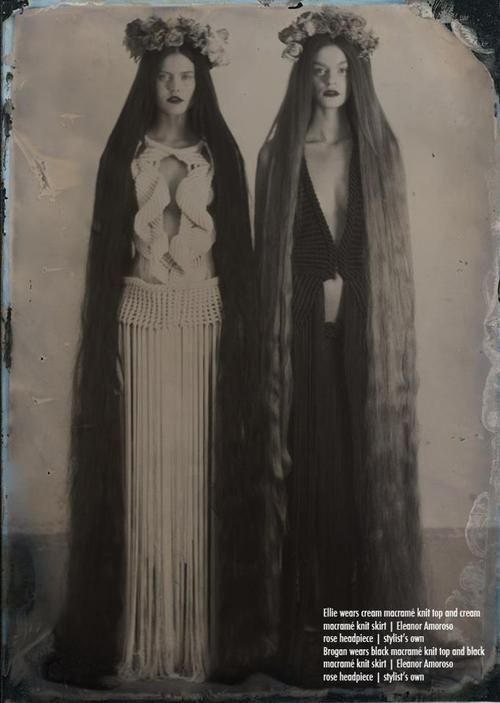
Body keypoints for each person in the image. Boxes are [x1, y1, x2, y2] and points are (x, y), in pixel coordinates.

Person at [46, 14, 260, 686]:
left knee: (197, 478)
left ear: (200, 84)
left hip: (204, 330)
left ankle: (193, 640)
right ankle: (136, 636)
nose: (174, 84)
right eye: (164, 74)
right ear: (148, 79)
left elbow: (240, 260)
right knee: (142, 480)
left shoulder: (220, 156)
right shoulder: (125, 157)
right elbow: (109, 261)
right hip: (137, 330)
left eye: (186, 75)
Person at [254, 7, 422, 686]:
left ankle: (369, 641)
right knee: (308, 479)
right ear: (302, 77)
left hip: (365, 344)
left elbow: (387, 261)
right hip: (298, 340)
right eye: (318, 70)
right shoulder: (280, 155)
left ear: (357, 77)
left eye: (341, 70)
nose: (330, 80)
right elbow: (271, 259)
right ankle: (306, 643)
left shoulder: (380, 152)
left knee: (363, 481)